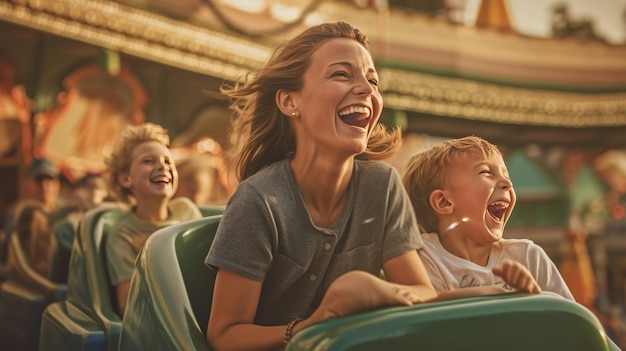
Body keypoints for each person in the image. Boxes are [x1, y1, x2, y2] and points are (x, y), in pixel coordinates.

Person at [204, 22, 538, 351]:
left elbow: (421, 294)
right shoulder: (259, 200)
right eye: (341, 74)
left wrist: (492, 293)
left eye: (372, 80)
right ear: (291, 101)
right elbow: (225, 336)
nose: (366, 88)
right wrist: (315, 325)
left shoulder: (381, 185)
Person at [402, 135, 573, 300]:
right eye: (486, 172)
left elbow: (570, 320)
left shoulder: (528, 257)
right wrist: (503, 293)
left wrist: (533, 297)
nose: (508, 183)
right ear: (444, 202)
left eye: (506, 175)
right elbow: (429, 309)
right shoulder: (425, 257)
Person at [104, 123, 202, 316]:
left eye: (168, 162)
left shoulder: (187, 210)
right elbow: (128, 306)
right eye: (148, 161)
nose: (162, 166)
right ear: (126, 179)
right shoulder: (123, 235)